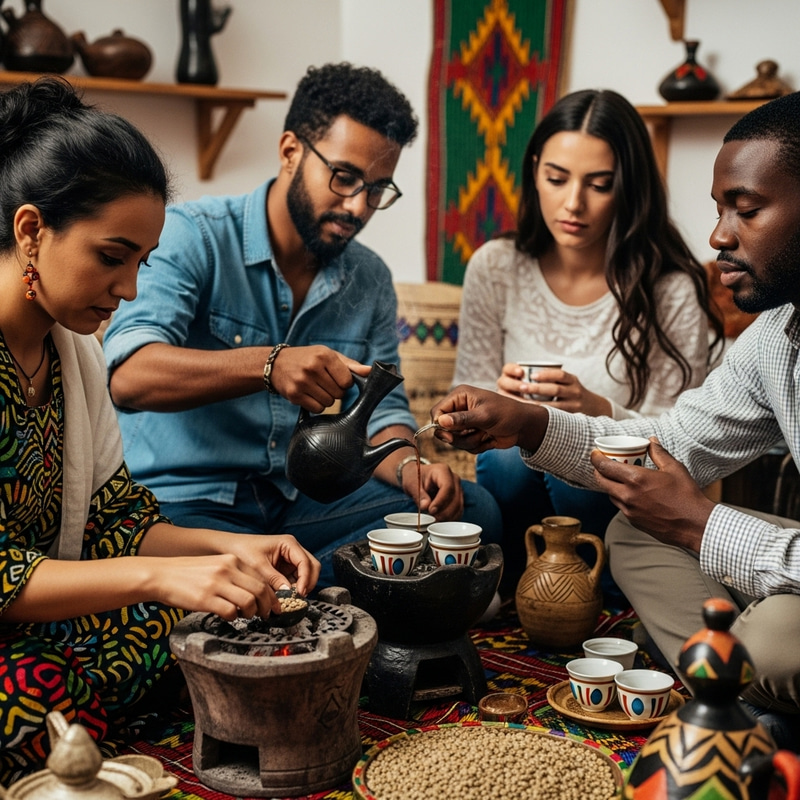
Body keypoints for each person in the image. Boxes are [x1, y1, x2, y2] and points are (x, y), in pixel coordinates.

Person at [430, 91, 800, 749]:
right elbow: (672, 442)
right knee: (635, 536)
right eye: (720, 210)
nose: (717, 236)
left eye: (746, 210)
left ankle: (735, 690)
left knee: (772, 641)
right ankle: (740, 700)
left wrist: (706, 524)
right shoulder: (776, 337)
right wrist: (530, 424)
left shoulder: (668, 285)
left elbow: (690, 496)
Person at [0, 77, 320, 783]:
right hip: (16, 641)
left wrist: (236, 547)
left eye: (141, 263)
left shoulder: (69, 351)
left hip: (35, 625)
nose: (130, 290)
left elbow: (117, 518)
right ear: (31, 231)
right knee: (32, 693)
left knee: (194, 626)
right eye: (112, 256)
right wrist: (163, 576)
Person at [102, 62, 502, 588]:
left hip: (303, 507)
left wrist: (410, 469)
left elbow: (383, 414)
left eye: (379, 189)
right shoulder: (190, 237)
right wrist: (268, 365)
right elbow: (129, 376)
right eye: (344, 177)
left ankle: (304, 593)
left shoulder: (369, 277)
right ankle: (328, 592)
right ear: (290, 151)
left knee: (474, 512)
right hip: (186, 509)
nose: (358, 205)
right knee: (216, 580)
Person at [452, 89, 722, 595]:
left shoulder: (668, 286)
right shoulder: (495, 266)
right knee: (509, 457)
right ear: (534, 170)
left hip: (619, 508)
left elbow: (687, 441)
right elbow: (464, 393)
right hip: (516, 500)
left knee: (577, 457)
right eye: (556, 179)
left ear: (629, 187)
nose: (572, 203)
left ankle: (598, 589)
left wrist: (597, 409)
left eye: (599, 185)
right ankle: (520, 590)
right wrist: (496, 400)